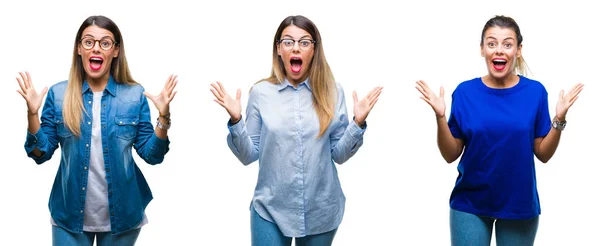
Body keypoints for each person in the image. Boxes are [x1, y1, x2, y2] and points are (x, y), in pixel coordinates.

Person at [210, 15, 382, 246]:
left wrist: (358, 123)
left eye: (304, 42)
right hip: (270, 209)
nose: (296, 48)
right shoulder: (261, 93)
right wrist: (236, 119)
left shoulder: (333, 92)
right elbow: (248, 156)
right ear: (279, 49)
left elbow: (339, 155)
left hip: (321, 209)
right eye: (288, 42)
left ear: (314, 50)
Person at [415, 15, 584, 246]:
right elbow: (450, 154)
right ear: (482, 49)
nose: (499, 50)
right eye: (492, 43)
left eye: (507, 44)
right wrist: (440, 117)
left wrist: (559, 119)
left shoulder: (535, 92)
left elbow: (543, 154)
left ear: (518, 49)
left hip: (519, 204)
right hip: (470, 203)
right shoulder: (465, 92)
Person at [16, 15, 178, 246]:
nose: (96, 48)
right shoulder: (58, 95)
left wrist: (164, 117)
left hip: (123, 216)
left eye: (105, 42)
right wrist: (32, 114)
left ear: (115, 51)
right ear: (79, 49)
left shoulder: (134, 95)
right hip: (68, 215)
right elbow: (40, 154)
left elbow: (152, 155)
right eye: (89, 41)